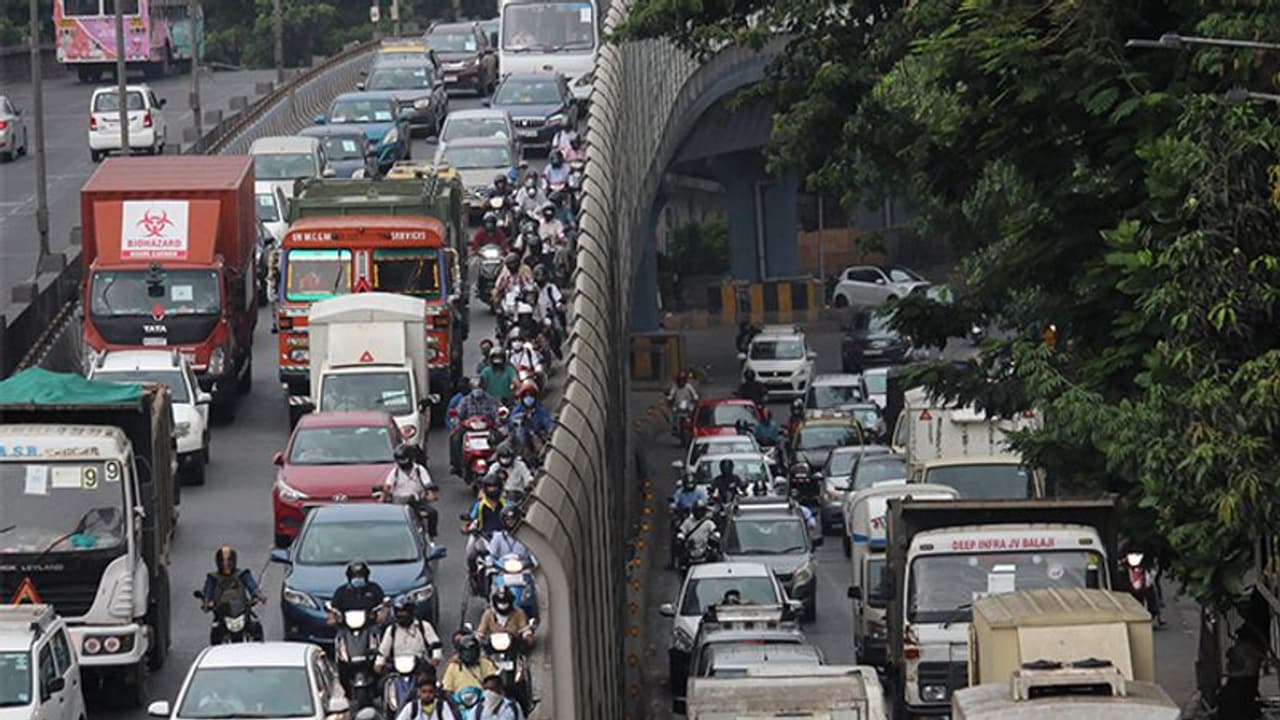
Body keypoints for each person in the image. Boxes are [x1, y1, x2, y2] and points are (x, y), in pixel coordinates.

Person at [200, 546, 265, 642]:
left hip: (242, 609)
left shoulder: (242, 574)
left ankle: (257, 647)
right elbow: (207, 591)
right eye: (223, 561)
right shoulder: (213, 578)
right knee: (216, 630)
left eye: (228, 561)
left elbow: (251, 585)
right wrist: (206, 602)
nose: (226, 564)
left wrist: (258, 595)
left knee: (256, 626)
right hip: (222, 611)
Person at [384, 443, 440, 539]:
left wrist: (429, 494)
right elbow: (388, 485)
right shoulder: (395, 472)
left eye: (404, 460)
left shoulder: (419, 470)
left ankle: (431, 537)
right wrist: (387, 491)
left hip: (416, 502)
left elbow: (427, 485)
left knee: (433, 513)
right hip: (399, 503)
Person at [377, 596, 444, 671]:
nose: (401, 614)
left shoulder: (423, 626)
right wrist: (379, 664)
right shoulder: (391, 630)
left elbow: (436, 644)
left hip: (420, 668)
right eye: (398, 612)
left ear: (411, 611)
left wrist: (435, 658)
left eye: (403, 612)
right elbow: (383, 652)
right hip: (397, 669)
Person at [452, 379, 500, 476]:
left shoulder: (491, 400)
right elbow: (458, 414)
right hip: (469, 428)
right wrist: (456, 422)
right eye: (475, 388)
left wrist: (498, 422)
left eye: (479, 388)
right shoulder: (465, 400)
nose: (477, 390)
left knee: (500, 437)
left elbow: (496, 414)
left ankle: (499, 461)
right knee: (455, 438)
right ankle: (457, 464)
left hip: (487, 428)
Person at [394, 667, 460, 720]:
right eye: (424, 691)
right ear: (418, 692)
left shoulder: (442, 706)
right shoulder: (411, 707)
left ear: (435, 692)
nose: (427, 695)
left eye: (430, 692)